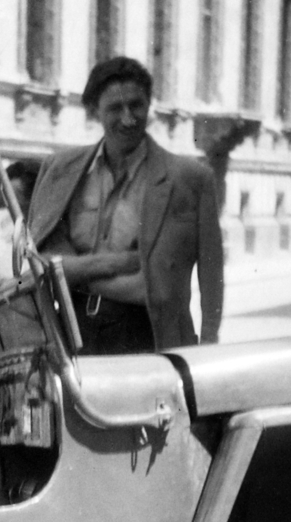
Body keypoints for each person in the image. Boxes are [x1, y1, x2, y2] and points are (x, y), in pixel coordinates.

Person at [27, 55, 223, 353]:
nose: (128, 118)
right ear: (94, 111)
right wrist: (115, 263)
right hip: (73, 335)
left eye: (137, 105)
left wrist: (209, 344)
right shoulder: (61, 170)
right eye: (115, 108)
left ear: (149, 104)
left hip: (151, 336)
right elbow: (38, 260)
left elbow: (210, 271)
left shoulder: (190, 178)